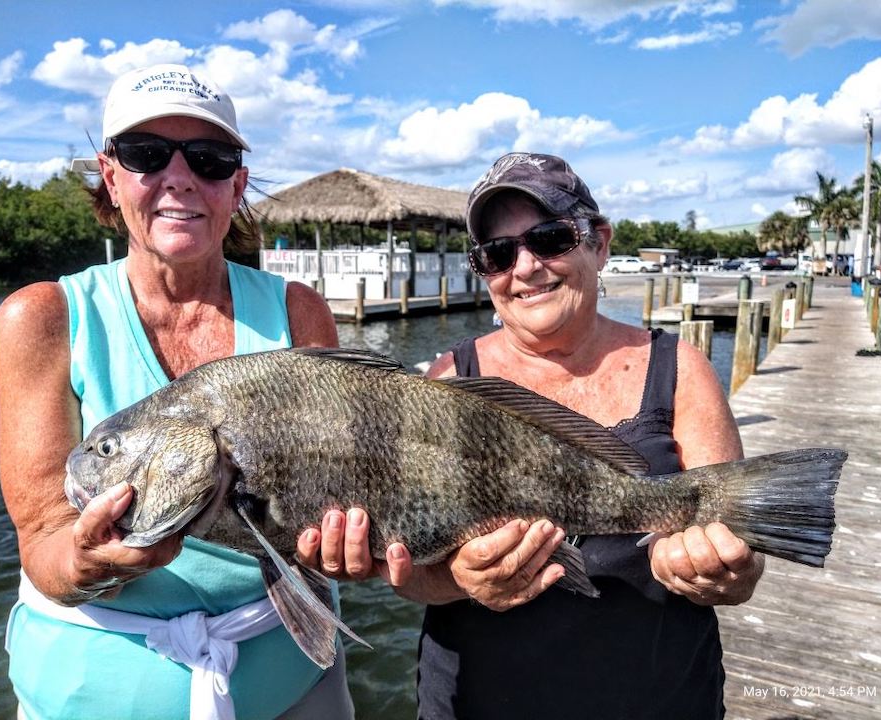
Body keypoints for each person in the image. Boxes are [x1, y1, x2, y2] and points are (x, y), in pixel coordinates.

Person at [297, 152, 765, 719]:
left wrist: (720, 569)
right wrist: (457, 579)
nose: (524, 267)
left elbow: (741, 558)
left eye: (549, 238)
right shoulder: (442, 383)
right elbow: (411, 573)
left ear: (599, 242)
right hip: (477, 700)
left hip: (659, 695)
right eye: (497, 253)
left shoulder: (680, 367)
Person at [0, 63, 352, 720]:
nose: (180, 177)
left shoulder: (299, 310)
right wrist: (83, 559)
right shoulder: (41, 318)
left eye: (211, 160)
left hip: (293, 686)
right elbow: (43, 537)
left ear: (237, 186)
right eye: (147, 155)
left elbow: (332, 507)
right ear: (110, 175)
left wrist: (354, 548)